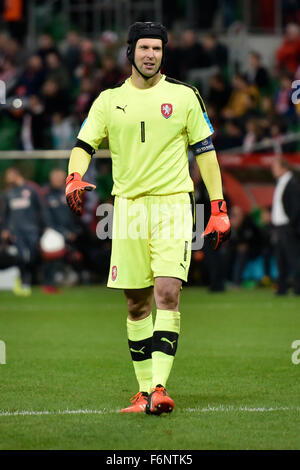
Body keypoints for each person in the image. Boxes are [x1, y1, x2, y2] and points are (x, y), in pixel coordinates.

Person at [65, 22, 230, 415]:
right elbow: (84, 144)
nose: (151, 55)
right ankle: (142, 393)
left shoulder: (185, 96)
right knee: (137, 304)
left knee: (168, 292)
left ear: (163, 53)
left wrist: (219, 206)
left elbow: (205, 153)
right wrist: (74, 175)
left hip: (174, 203)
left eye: (157, 48)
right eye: (144, 48)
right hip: (128, 208)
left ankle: (160, 388)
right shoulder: (108, 100)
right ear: (130, 52)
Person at [0, 167, 47, 296]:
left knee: (32, 257)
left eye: (9, 176)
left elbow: (41, 208)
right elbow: (5, 214)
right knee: (20, 257)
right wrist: (5, 229)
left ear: (16, 175)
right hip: (16, 231)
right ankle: (24, 282)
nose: (6, 179)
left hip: (32, 229)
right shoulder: (8, 193)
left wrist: (46, 226)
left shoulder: (32, 189)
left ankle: (33, 280)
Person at [271, 157, 300, 295]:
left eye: (275, 167)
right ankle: (282, 288)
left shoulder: (292, 183)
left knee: (293, 259)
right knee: (281, 259)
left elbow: (295, 207)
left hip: (287, 227)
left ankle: (298, 288)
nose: (273, 170)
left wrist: (291, 225)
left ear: (284, 167)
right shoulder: (281, 182)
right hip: (279, 227)